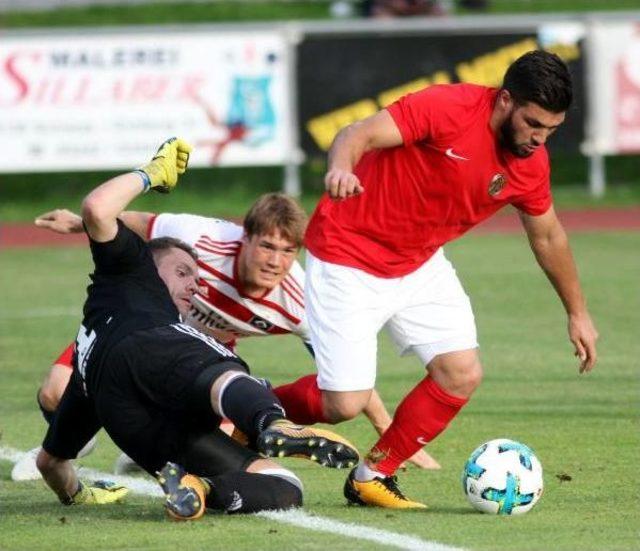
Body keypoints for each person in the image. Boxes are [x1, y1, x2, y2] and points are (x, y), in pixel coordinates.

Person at [273, 50, 599, 508]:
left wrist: (577, 313)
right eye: (533, 123)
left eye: (551, 130)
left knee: (460, 373)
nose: (539, 139)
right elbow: (357, 134)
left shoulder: (531, 164)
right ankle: (246, 408)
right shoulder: (449, 108)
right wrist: (341, 167)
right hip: (348, 253)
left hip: (419, 263)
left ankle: (372, 476)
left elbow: (548, 236)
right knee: (343, 404)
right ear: (505, 100)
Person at [36, 137, 359, 520]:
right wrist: (151, 174)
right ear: (147, 262)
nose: (196, 285)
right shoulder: (130, 271)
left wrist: (77, 495)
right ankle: (273, 422)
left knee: (285, 487)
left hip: (131, 416)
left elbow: (50, 463)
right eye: (183, 271)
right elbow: (97, 208)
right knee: (222, 369)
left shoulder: (86, 384)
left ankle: (198, 487)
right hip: (151, 352)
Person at [13, 194, 439, 482]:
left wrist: (390, 433)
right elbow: (138, 223)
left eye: (288, 251)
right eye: (267, 246)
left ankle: (181, 442)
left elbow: (347, 374)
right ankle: (72, 440)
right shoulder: (205, 237)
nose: (276, 261)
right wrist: (78, 223)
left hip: (196, 363)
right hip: (131, 328)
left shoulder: (301, 301)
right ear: (244, 237)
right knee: (54, 391)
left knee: (219, 431)